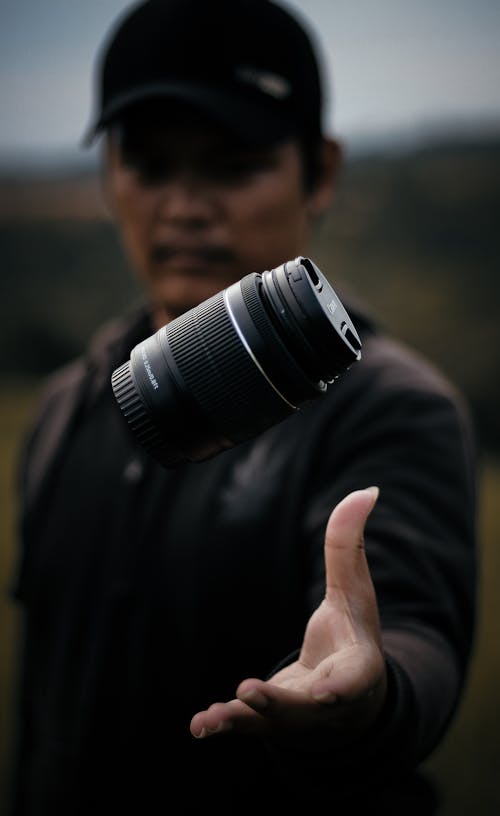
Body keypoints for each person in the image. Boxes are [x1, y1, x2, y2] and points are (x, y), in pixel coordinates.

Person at [8, 1, 477, 814]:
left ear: (321, 170)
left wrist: (372, 693)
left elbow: (411, 630)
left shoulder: (393, 409)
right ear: (111, 174)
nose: (185, 205)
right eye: (150, 165)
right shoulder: (65, 406)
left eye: (231, 164)